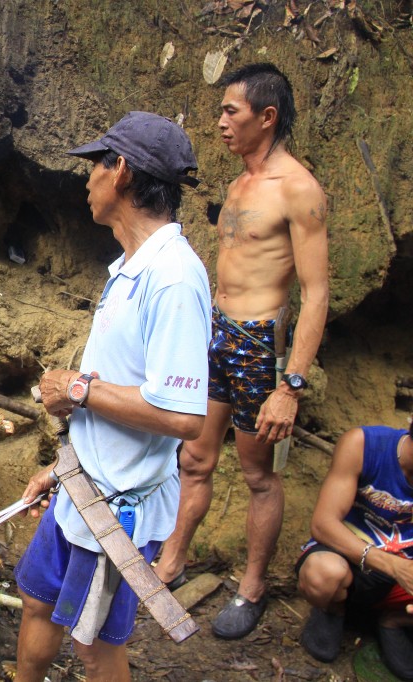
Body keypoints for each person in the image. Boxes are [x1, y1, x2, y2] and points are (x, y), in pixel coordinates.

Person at [15, 112, 211, 682]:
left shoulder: (173, 277)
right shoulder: (131, 265)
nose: (86, 181)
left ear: (120, 171)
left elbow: (181, 415)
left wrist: (76, 388)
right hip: (82, 488)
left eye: (94, 166)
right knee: (37, 602)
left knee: (96, 649)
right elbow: (125, 385)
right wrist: (62, 467)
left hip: (117, 512)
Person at [153, 63, 330, 639]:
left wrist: (291, 386)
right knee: (194, 458)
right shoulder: (238, 182)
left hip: (257, 346)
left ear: (267, 117)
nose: (221, 122)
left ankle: (251, 588)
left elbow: (316, 293)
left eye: (232, 111)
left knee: (258, 476)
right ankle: (173, 558)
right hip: (214, 332)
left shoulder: (299, 189)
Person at [296, 422, 413, 680]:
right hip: (349, 556)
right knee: (323, 573)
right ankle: (335, 608)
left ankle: (394, 620)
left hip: (403, 579)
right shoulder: (365, 445)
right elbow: (323, 524)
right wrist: (394, 566)